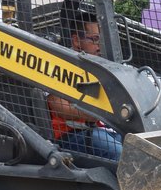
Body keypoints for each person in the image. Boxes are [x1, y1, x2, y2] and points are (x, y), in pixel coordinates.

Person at [47, 19, 122, 160]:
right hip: (71, 134)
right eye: (95, 39)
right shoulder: (62, 65)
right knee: (121, 154)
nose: (100, 46)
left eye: (102, 41)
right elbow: (58, 105)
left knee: (138, 147)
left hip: (99, 129)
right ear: (76, 40)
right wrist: (93, 113)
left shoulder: (98, 66)